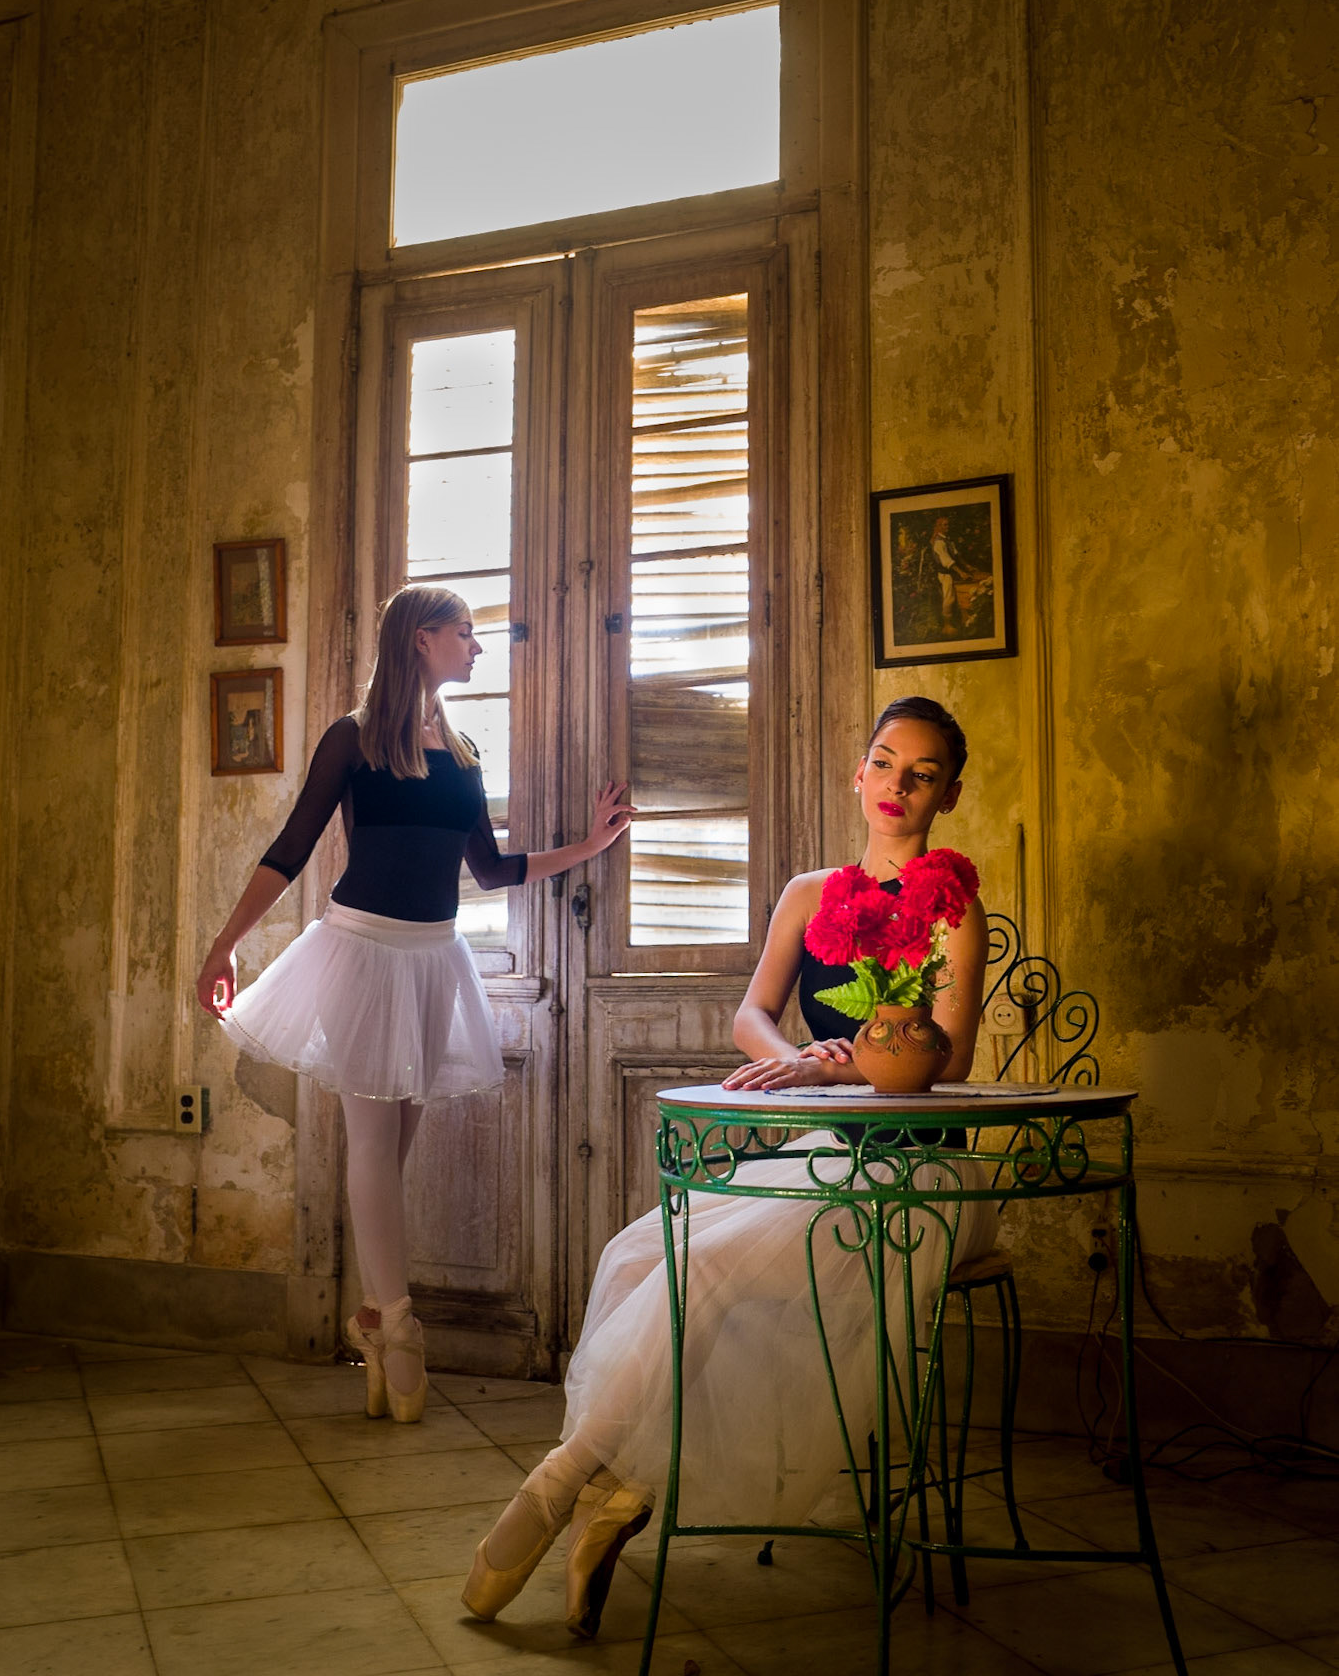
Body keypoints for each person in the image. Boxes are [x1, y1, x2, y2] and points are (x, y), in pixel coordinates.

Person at [460, 696, 997, 1639]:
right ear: (857, 772)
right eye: (882, 762)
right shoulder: (810, 893)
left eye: (921, 775)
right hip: (824, 1149)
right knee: (637, 1257)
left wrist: (842, 1065)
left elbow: (947, 1060)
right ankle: (616, 1492)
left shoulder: (955, 904)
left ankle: (561, 1484)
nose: (895, 786)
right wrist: (793, 1062)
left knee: (702, 1267)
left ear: (946, 795)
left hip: (918, 1174)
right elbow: (752, 1015)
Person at [196, 583, 634, 1423]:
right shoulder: (352, 739)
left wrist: (588, 844)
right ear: (420, 639)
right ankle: (399, 1331)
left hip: (435, 960)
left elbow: (492, 872)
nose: (477, 646)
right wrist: (226, 944)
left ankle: (371, 1315)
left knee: (392, 1148)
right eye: (465, 632)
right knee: (371, 1139)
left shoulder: (464, 752)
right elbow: (291, 847)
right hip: (360, 951)